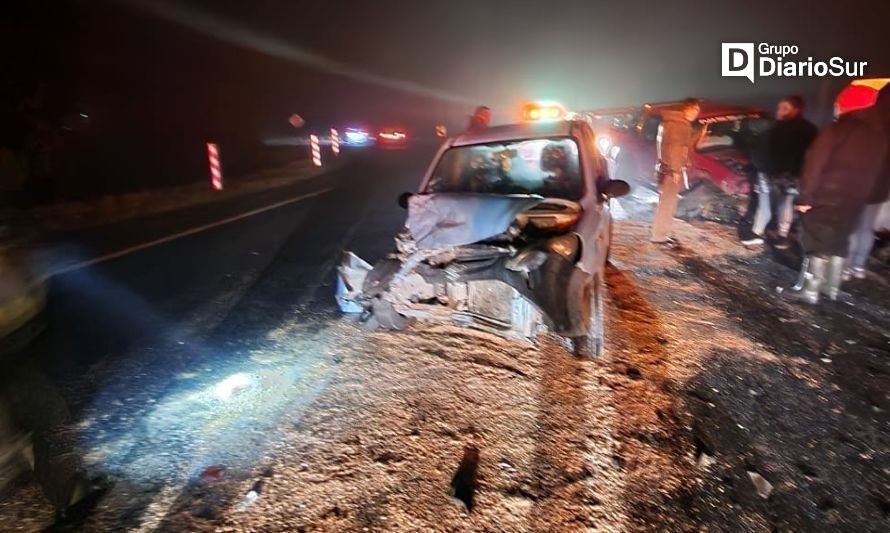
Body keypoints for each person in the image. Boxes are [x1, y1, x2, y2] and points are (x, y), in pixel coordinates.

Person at [777, 85, 890, 304]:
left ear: (846, 105)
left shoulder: (838, 129)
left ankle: (809, 290)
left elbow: (814, 164)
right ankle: (831, 289)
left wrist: (805, 198)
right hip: (854, 201)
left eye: (838, 104)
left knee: (816, 242)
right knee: (838, 243)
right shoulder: (878, 135)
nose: (835, 108)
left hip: (825, 198)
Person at [743, 95, 818, 248]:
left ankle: (757, 233)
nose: (780, 111)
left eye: (785, 108)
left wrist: (758, 167)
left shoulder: (775, 128)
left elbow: (760, 151)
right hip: (793, 175)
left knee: (766, 205)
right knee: (786, 205)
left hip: (772, 173)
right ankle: (782, 237)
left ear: (796, 110)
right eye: (779, 108)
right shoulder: (810, 130)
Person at [845, 87, 890, 279]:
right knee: (866, 227)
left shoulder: (859, 117)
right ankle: (859, 266)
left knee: (852, 226)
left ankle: (845, 266)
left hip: (855, 182)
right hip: (880, 186)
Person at [651, 98, 701, 243]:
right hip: (671, 171)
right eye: (695, 110)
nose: (696, 113)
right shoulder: (678, 125)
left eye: (698, 111)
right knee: (668, 203)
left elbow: (680, 146)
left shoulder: (672, 122)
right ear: (687, 108)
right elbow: (676, 148)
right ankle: (659, 236)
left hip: (667, 168)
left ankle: (662, 232)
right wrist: (676, 170)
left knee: (667, 202)